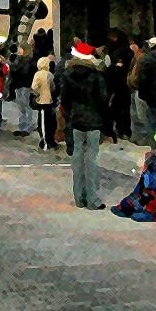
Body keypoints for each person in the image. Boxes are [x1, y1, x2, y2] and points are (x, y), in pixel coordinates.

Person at [62, 40, 108, 210]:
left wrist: (70, 115)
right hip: (94, 121)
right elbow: (102, 100)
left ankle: (79, 197)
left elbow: (65, 100)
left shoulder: (68, 75)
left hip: (76, 120)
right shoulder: (96, 76)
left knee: (77, 158)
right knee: (92, 160)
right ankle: (93, 199)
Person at [111, 129, 156, 223]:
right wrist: (153, 157)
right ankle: (129, 206)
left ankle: (153, 212)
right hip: (152, 182)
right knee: (143, 182)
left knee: (152, 184)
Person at [32, 55, 57, 151]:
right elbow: (53, 87)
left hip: (41, 100)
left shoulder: (38, 74)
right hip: (49, 100)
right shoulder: (50, 74)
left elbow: (34, 87)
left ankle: (44, 142)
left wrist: (38, 92)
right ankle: (51, 139)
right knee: (50, 121)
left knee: (42, 121)